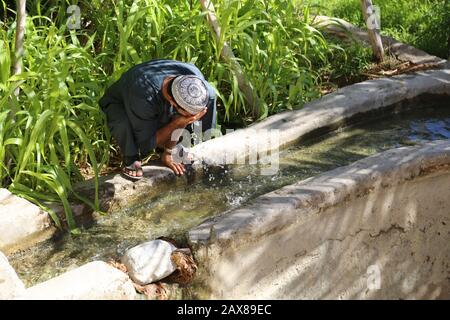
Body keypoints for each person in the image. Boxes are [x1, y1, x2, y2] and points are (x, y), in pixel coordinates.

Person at [99, 59, 217, 180]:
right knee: (122, 125)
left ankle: (172, 145)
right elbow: (146, 143)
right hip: (121, 103)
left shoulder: (199, 86)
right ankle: (130, 157)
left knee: (181, 123)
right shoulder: (143, 95)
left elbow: (197, 125)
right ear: (172, 102)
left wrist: (169, 150)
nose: (192, 117)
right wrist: (178, 123)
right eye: (188, 114)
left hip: (157, 104)